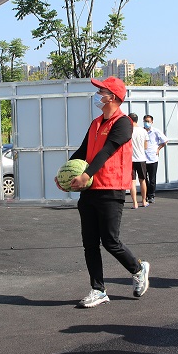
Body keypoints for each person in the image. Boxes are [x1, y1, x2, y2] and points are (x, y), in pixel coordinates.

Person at [67, 76, 150, 308]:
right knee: (90, 243)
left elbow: (106, 151)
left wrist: (85, 175)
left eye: (101, 91)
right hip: (90, 190)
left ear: (111, 97)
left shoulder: (123, 123)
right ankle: (98, 290)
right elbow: (83, 151)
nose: (97, 95)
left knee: (110, 241)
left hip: (110, 189)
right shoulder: (95, 123)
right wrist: (65, 173)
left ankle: (138, 269)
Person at [142, 115, 168, 203]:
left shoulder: (156, 131)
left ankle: (151, 195)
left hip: (153, 158)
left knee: (152, 178)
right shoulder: (141, 131)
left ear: (152, 122)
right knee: (144, 178)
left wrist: (158, 149)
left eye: (148, 121)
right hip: (143, 158)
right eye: (145, 121)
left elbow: (165, 140)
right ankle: (145, 195)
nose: (146, 123)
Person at [129, 112, 149, 209]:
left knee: (132, 182)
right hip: (141, 159)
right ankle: (144, 201)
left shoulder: (128, 131)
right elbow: (146, 146)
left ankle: (135, 203)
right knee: (142, 180)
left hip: (130, 159)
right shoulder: (143, 131)